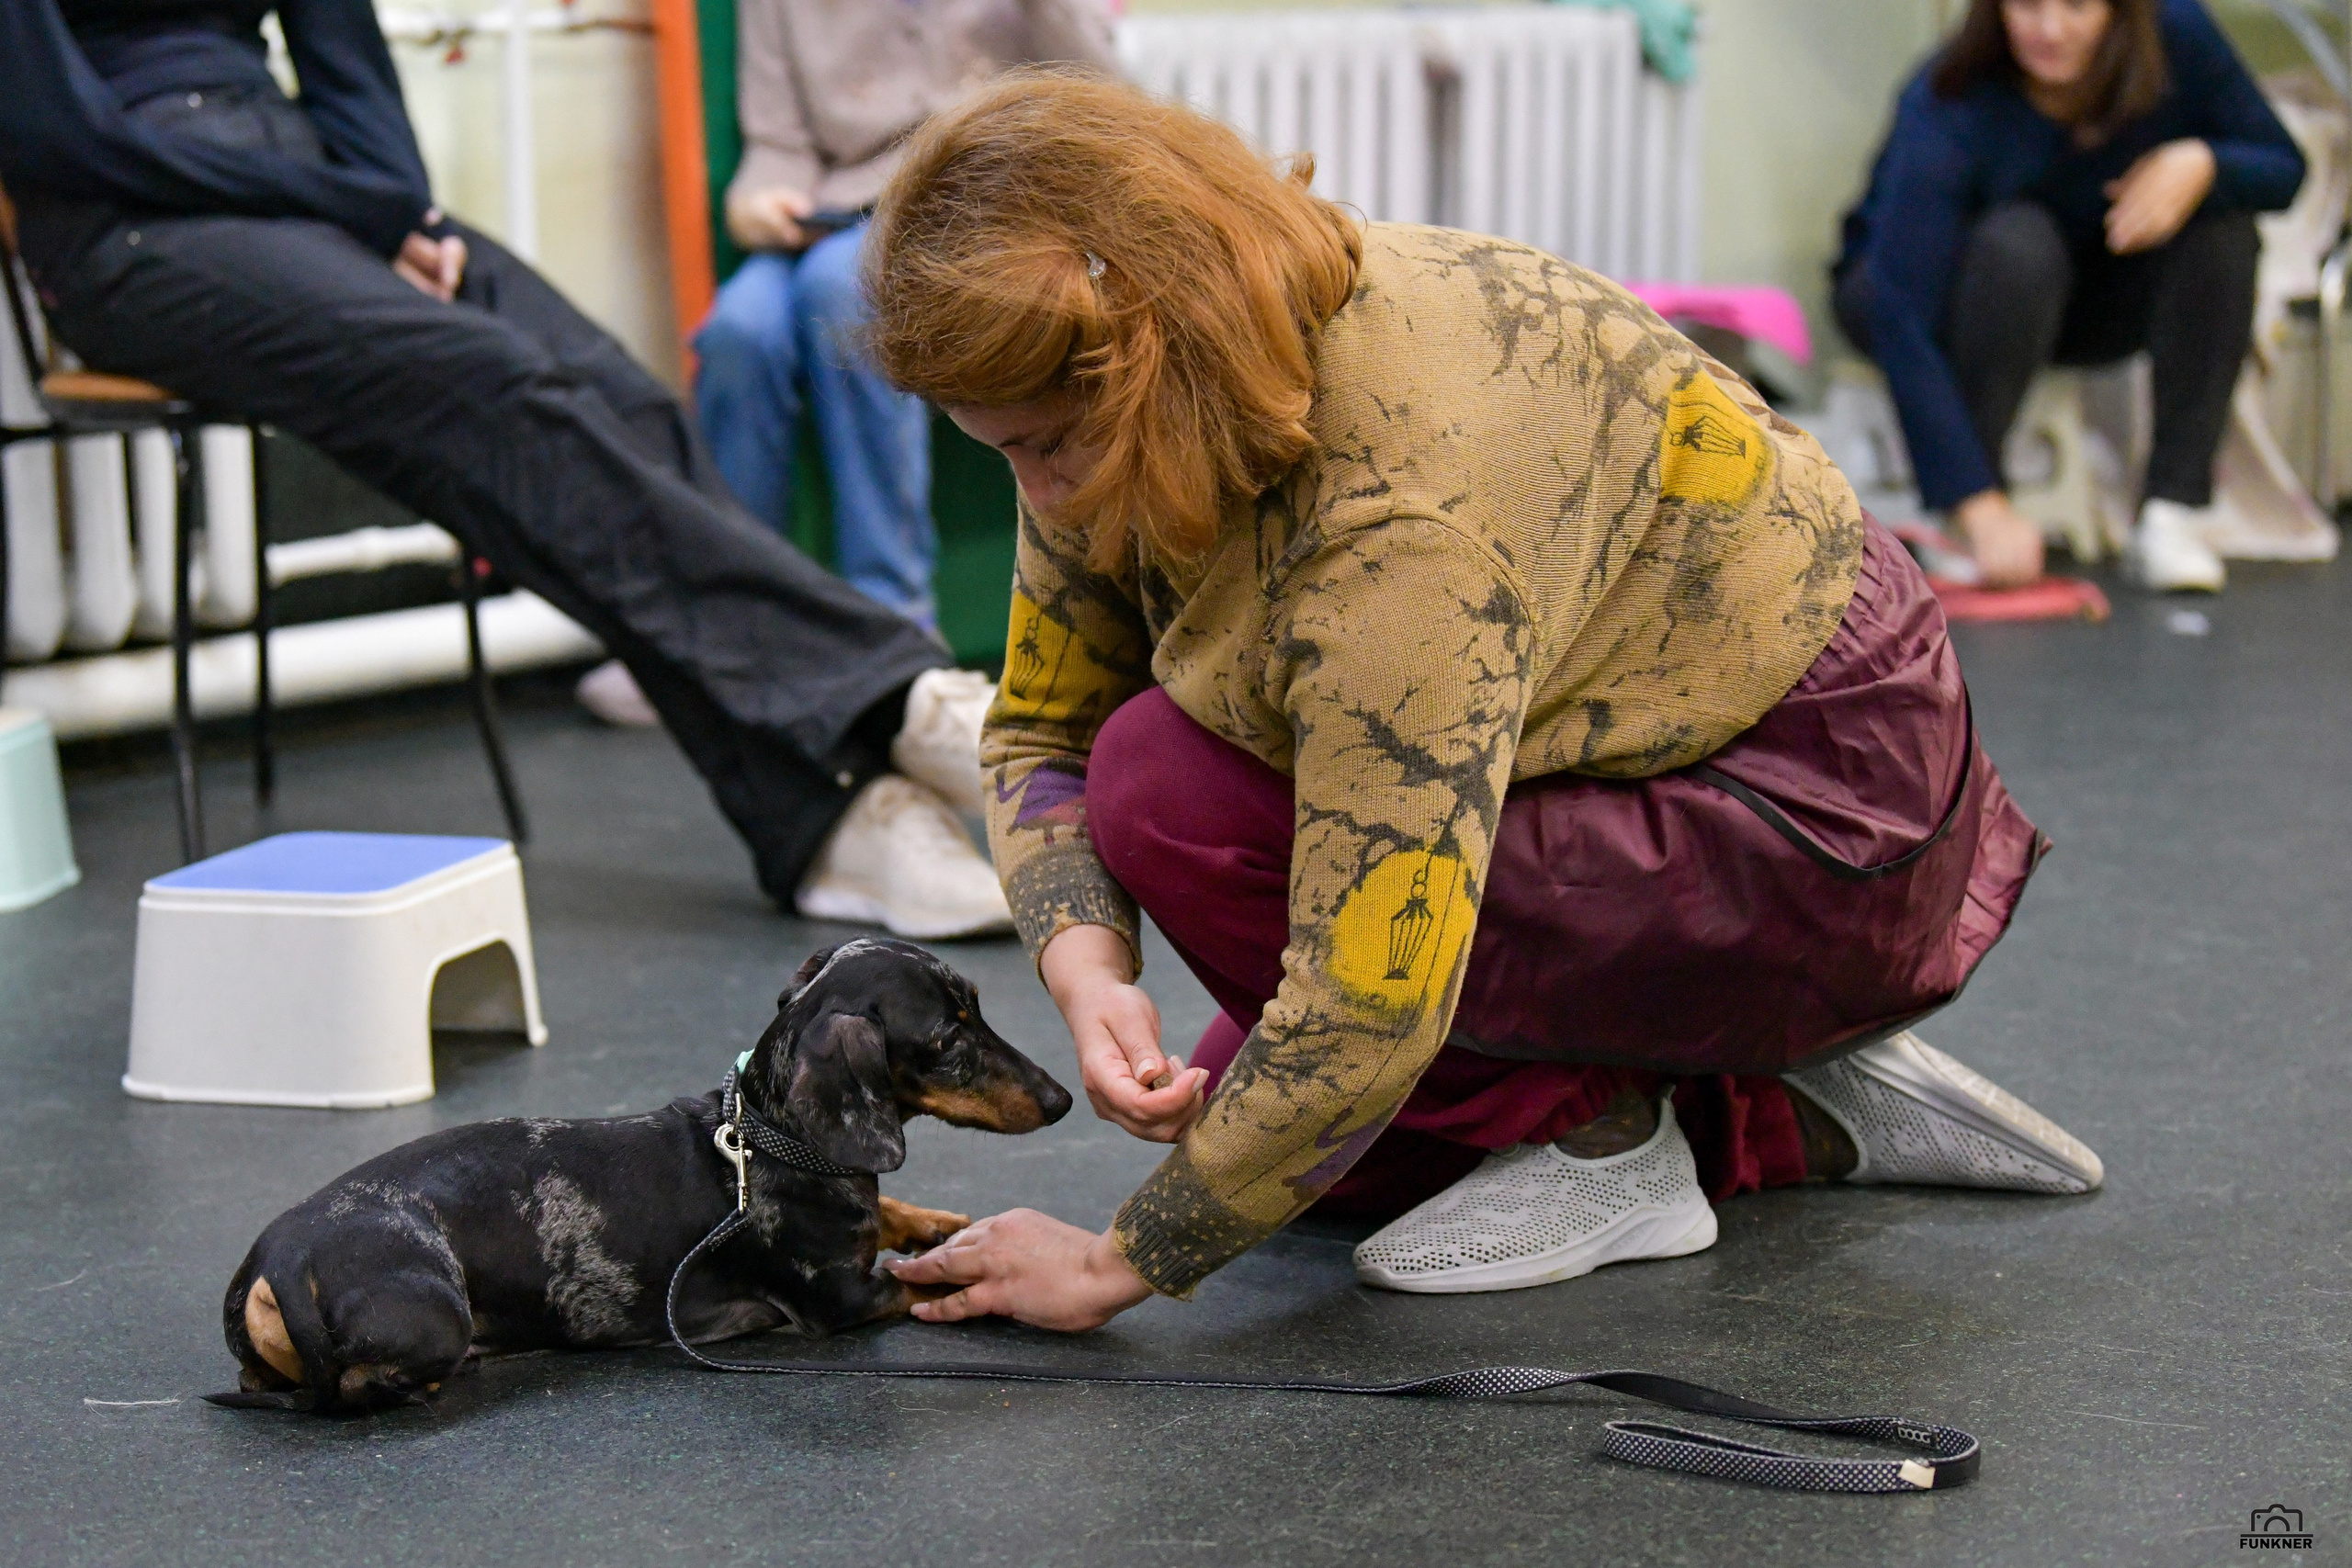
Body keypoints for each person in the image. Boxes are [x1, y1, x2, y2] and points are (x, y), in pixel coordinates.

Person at [868, 73, 2107, 1330]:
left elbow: (1368, 999)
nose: (1049, 496)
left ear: (1143, 367)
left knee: (1174, 808)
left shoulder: (1389, 529)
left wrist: (1113, 1265)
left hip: (1819, 825)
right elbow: (1038, 721)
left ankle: (1612, 1142)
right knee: (1304, 1137)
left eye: (1045, 445)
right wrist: (1088, 969)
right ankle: (1782, 1098)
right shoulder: (1156, 350)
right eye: (1006, 449)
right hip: (1690, 753)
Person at [0, 0, 1011, 939]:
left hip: (292, 185)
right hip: (122, 224)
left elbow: (348, 72)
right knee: (489, 381)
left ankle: (827, 825)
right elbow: (60, 134)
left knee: (615, 395)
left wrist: (400, 211)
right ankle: (889, 700)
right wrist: (345, 202)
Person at [1835, 0, 2304, 593]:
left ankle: (2172, 513)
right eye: (2028, 5)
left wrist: (2204, 162)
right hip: (1931, 291)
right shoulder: (1948, 94)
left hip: (2085, 293)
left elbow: (2286, 166)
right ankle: (1962, 510)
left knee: (2223, 231)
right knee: (2018, 244)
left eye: (2077, 5)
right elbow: (1897, 308)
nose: (2050, 30)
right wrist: (1975, 500)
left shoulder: (2178, 35)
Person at [691, 0, 1118, 626]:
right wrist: (755, 204)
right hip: (830, 211)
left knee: (841, 291)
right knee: (738, 329)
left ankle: (893, 618)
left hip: (969, 203)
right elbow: (776, 142)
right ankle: (727, 620)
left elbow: (1103, 96)